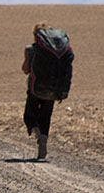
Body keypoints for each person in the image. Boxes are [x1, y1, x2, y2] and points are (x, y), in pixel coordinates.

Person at [22, 22, 74, 159]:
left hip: (35, 89)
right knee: (45, 117)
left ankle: (37, 133)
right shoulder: (58, 53)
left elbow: (25, 69)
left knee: (29, 116)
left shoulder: (31, 49)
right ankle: (44, 138)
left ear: (36, 36)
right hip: (53, 90)